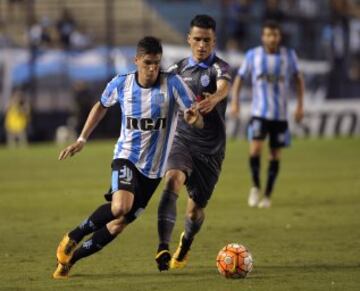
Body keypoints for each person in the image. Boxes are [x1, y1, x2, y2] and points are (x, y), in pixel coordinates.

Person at [53, 36, 203, 279]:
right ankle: (73, 236)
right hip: (126, 156)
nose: (153, 68)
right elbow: (101, 106)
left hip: (154, 170)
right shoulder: (121, 84)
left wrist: (195, 119)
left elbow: (196, 117)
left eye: (156, 63)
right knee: (121, 206)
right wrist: (82, 139)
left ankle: (71, 259)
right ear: (136, 61)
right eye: (147, 63)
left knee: (119, 223)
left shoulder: (173, 84)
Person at [155, 15, 231, 271]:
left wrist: (215, 99)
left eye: (206, 40)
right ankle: (162, 248)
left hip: (211, 151)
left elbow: (223, 87)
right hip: (183, 141)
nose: (201, 45)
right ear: (189, 39)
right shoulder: (176, 71)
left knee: (193, 212)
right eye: (197, 39)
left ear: (214, 41)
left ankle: (185, 243)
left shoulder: (219, 67)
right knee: (172, 179)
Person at [230, 20, 304, 208]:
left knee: (274, 154)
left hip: (279, 115)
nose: (272, 38)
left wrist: (300, 106)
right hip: (259, 113)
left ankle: (268, 195)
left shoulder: (289, 56)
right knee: (255, 149)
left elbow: (298, 80)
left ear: (279, 37)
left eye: (275, 35)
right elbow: (239, 78)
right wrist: (235, 102)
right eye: (268, 35)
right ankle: (255, 186)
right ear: (263, 37)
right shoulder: (253, 55)